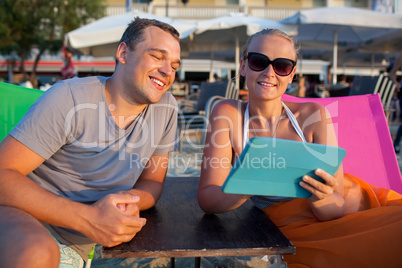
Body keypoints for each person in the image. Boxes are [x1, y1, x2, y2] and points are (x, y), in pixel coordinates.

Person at [198, 28, 402, 267]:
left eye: (281, 66)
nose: (269, 73)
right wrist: (248, 184)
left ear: (292, 74)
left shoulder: (313, 116)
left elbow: (333, 208)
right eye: (258, 62)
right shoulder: (228, 114)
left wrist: (319, 197)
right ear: (243, 66)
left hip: (348, 205)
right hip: (293, 227)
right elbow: (208, 199)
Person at [0, 17, 181, 268]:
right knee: (37, 254)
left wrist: (127, 200)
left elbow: (152, 181)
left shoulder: (167, 108)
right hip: (23, 214)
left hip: (81, 242)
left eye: (174, 65)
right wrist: (88, 218)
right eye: (156, 56)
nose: (167, 71)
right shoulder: (71, 98)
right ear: (123, 53)